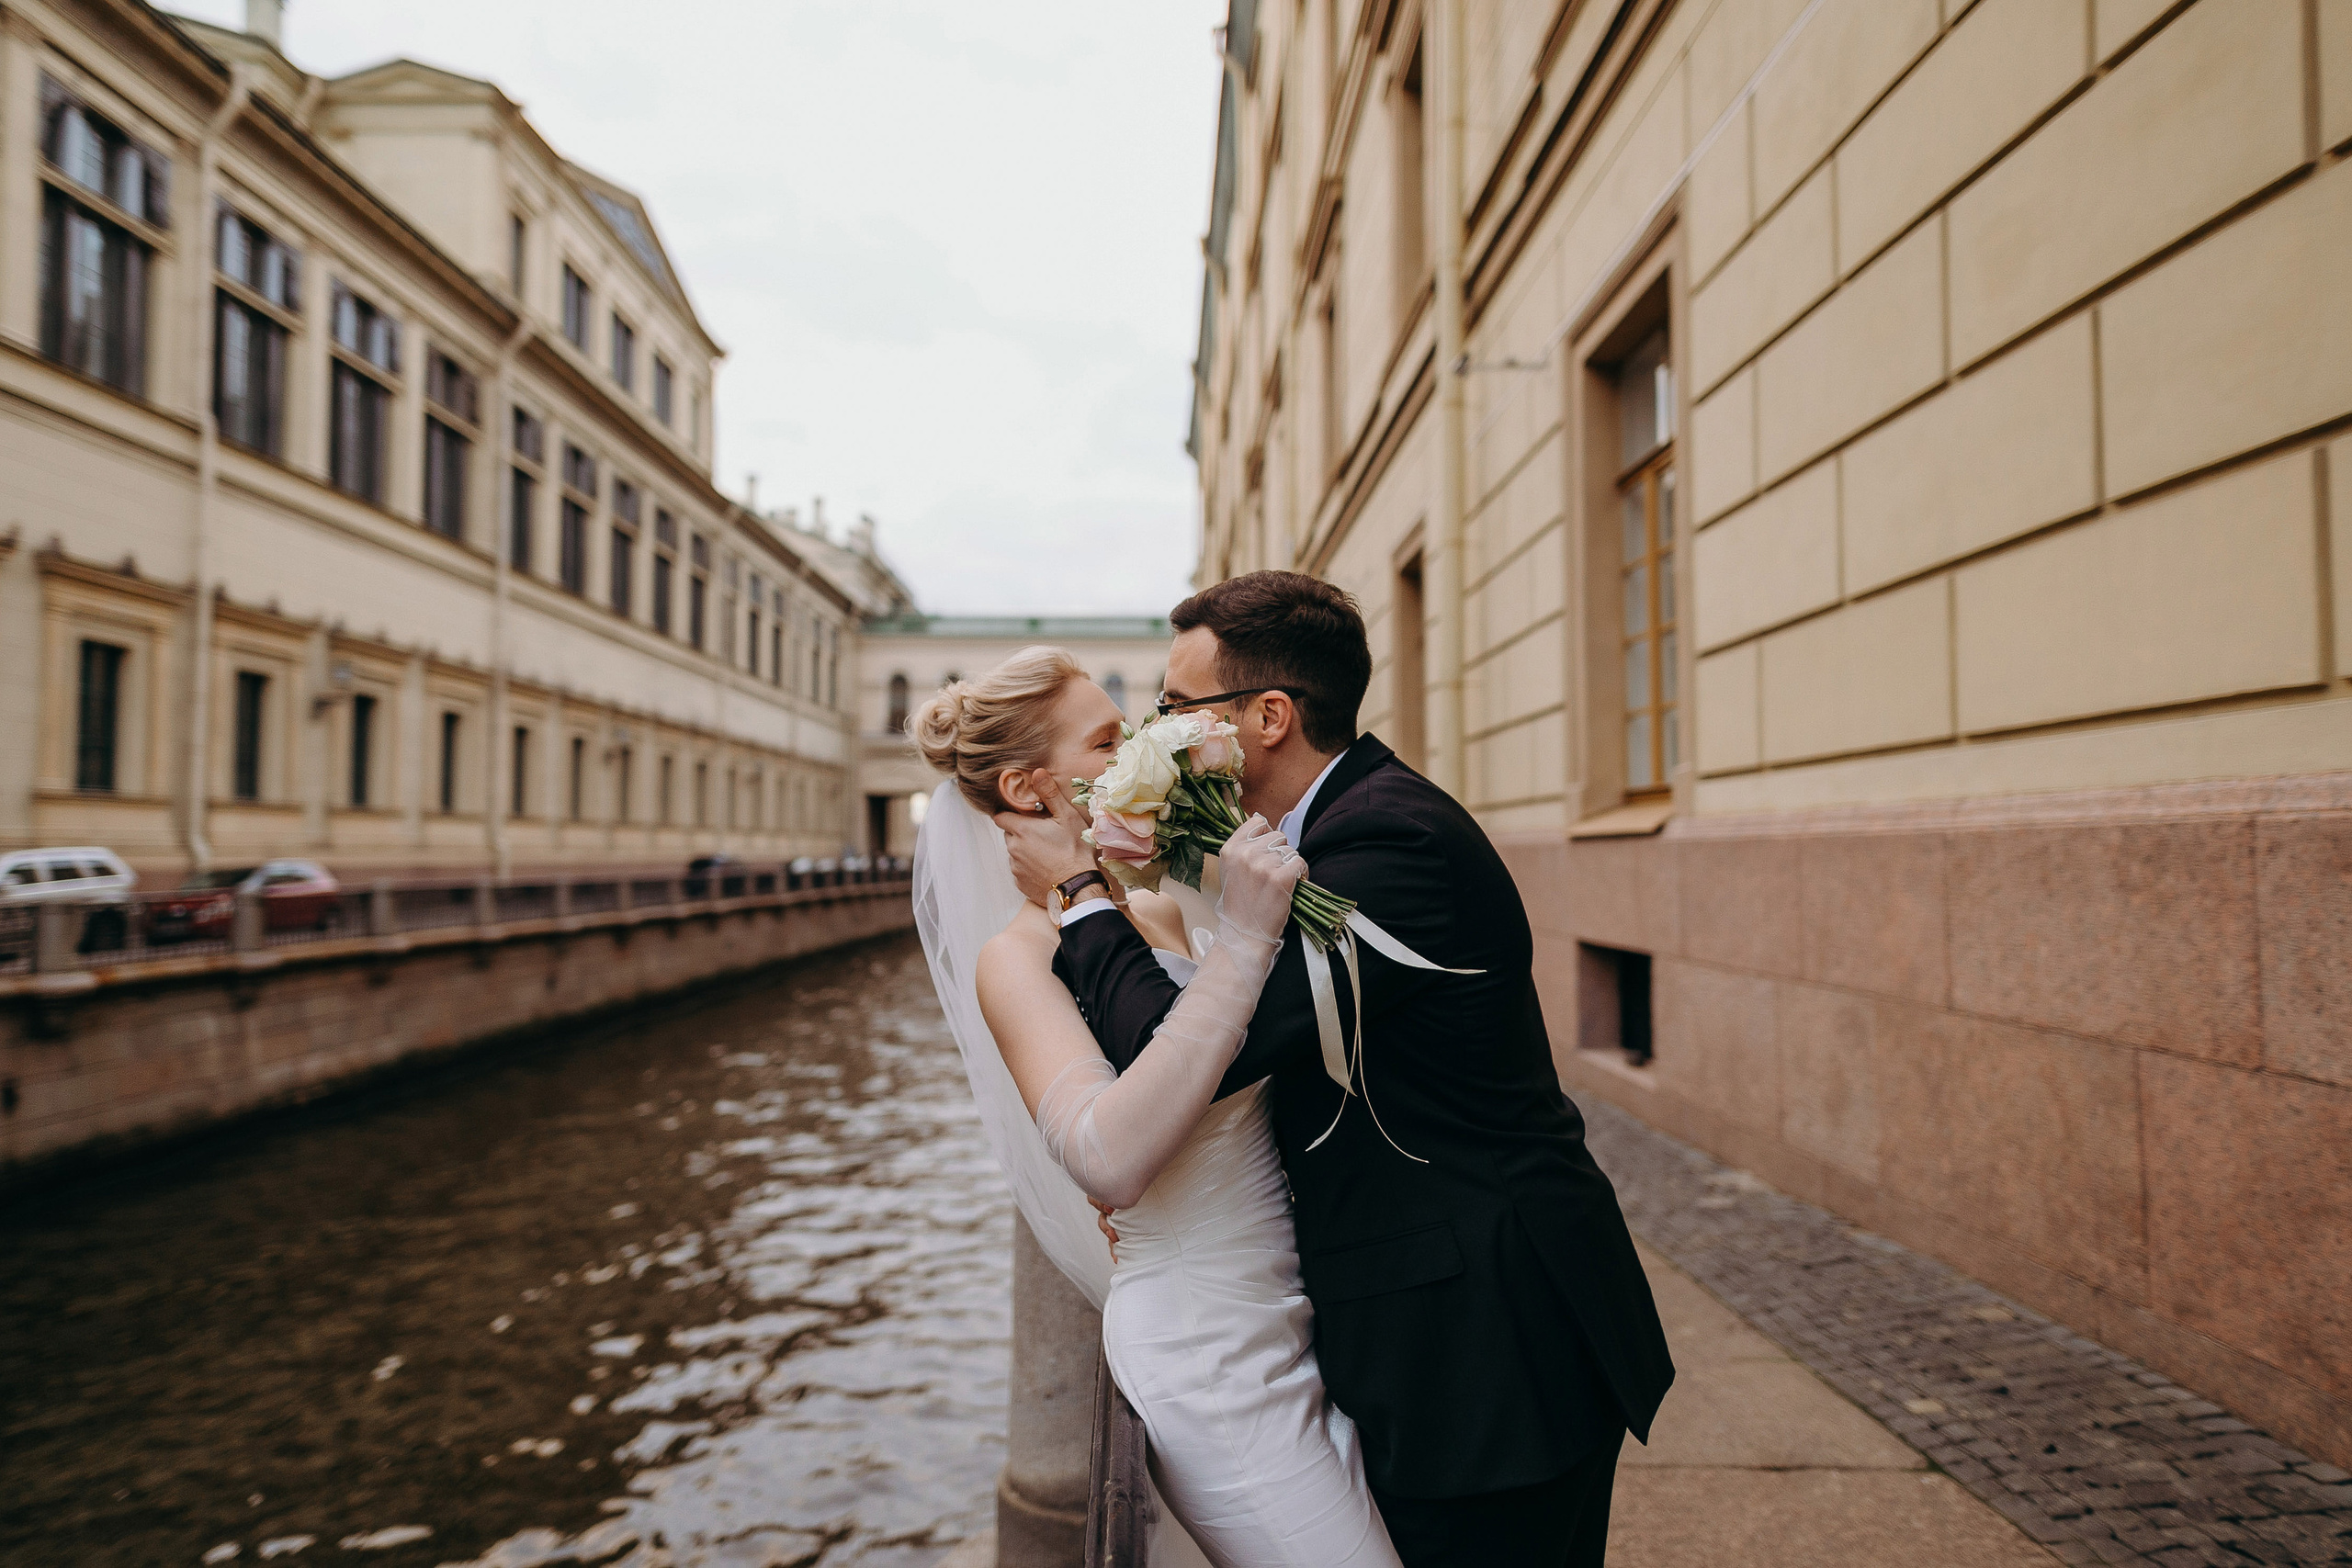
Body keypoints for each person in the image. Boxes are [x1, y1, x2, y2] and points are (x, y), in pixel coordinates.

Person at [994, 572, 1676, 1568]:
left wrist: (1080, 896)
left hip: (1488, 1351)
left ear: (1267, 717)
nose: (1153, 738)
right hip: (1412, 1328)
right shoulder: (1299, 837)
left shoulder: (1389, 840)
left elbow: (1185, 1052)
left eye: (1177, 711)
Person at [909, 645, 1402, 1568]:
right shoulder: (1015, 962)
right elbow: (1109, 1158)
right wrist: (1250, 937)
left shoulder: (1163, 921)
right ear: (1026, 789)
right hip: (1208, 1354)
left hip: (1299, 1319)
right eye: (1106, 739)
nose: (1137, 748)